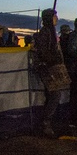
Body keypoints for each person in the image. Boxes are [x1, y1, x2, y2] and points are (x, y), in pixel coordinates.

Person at [29, 9, 67, 137]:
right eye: (55, 16)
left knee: (53, 95)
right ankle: (46, 123)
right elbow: (43, 52)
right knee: (54, 94)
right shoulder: (46, 33)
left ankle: (47, 122)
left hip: (51, 67)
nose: (57, 18)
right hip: (48, 68)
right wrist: (53, 59)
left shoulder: (51, 32)